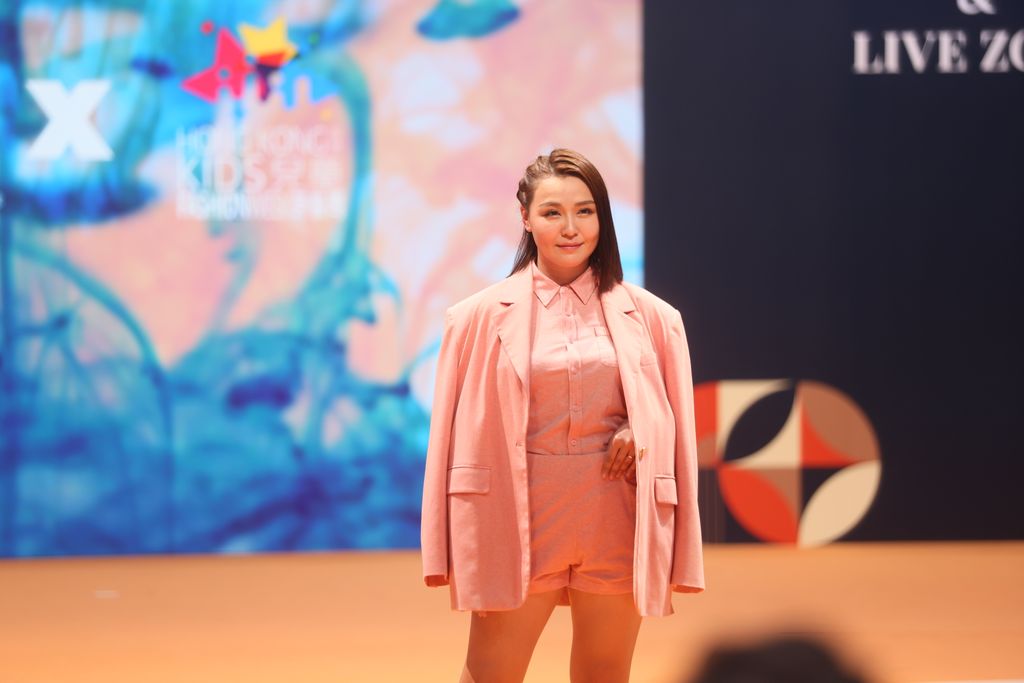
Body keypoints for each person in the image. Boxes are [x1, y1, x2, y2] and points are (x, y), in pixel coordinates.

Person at [421, 148, 705, 683]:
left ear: (603, 217)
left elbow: (675, 426)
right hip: (518, 516)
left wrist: (641, 429)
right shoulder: (474, 318)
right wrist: (442, 545)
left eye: (585, 211)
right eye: (552, 212)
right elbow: (447, 442)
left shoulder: (656, 318)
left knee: (605, 672)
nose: (570, 228)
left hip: (615, 513)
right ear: (525, 218)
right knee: (490, 674)